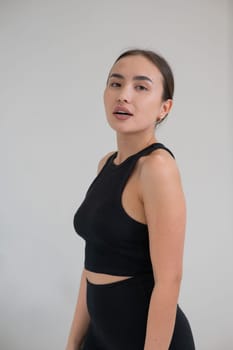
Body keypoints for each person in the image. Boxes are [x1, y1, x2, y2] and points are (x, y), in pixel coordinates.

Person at [65, 49, 195, 350]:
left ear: (164, 107)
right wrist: (73, 341)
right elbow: (91, 264)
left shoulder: (157, 167)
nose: (124, 95)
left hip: (146, 340)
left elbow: (169, 280)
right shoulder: (107, 164)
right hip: (99, 336)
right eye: (116, 83)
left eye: (141, 87)